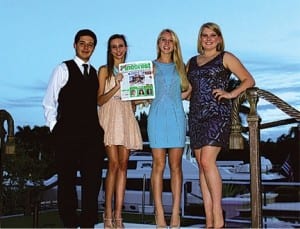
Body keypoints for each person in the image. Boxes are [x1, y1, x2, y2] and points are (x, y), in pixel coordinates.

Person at [186, 22, 255, 228]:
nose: (208, 38)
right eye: (204, 35)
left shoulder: (226, 57)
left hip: (217, 114)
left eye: (212, 35)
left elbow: (248, 80)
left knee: (207, 162)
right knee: (201, 166)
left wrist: (231, 94)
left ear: (219, 38)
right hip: (196, 115)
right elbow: (187, 91)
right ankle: (209, 221)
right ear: (200, 39)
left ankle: (218, 215)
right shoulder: (191, 61)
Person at [42, 29, 105, 228]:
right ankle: (69, 223)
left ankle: (88, 223)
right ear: (75, 45)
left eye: (90, 44)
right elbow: (48, 102)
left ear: (94, 48)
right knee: (67, 182)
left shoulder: (95, 72)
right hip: (67, 135)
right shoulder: (63, 68)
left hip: (92, 137)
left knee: (93, 182)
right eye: (82, 43)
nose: (86, 47)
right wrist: (55, 128)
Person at [147, 29, 192, 228]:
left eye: (170, 41)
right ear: (158, 43)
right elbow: (141, 93)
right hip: (156, 118)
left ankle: (175, 213)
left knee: (176, 166)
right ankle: (159, 214)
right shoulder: (149, 67)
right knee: (158, 165)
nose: (166, 43)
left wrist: (175, 99)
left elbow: (189, 91)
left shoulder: (182, 67)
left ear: (175, 45)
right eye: (163, 40)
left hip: (176, 119)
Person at [97, 34, 143, 229]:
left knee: (124, 166)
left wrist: (142, 96)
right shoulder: (104, 71)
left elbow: (133, 104)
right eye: (114, 47)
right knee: (113, 164)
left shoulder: (132, 72)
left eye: (121, 46)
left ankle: (118, 215)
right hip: (110, 117)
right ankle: (107, 213)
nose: (118, 50)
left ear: (126, 48)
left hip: (125, 117)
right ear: (110, 50)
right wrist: (116, 85)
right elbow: (99, 100)